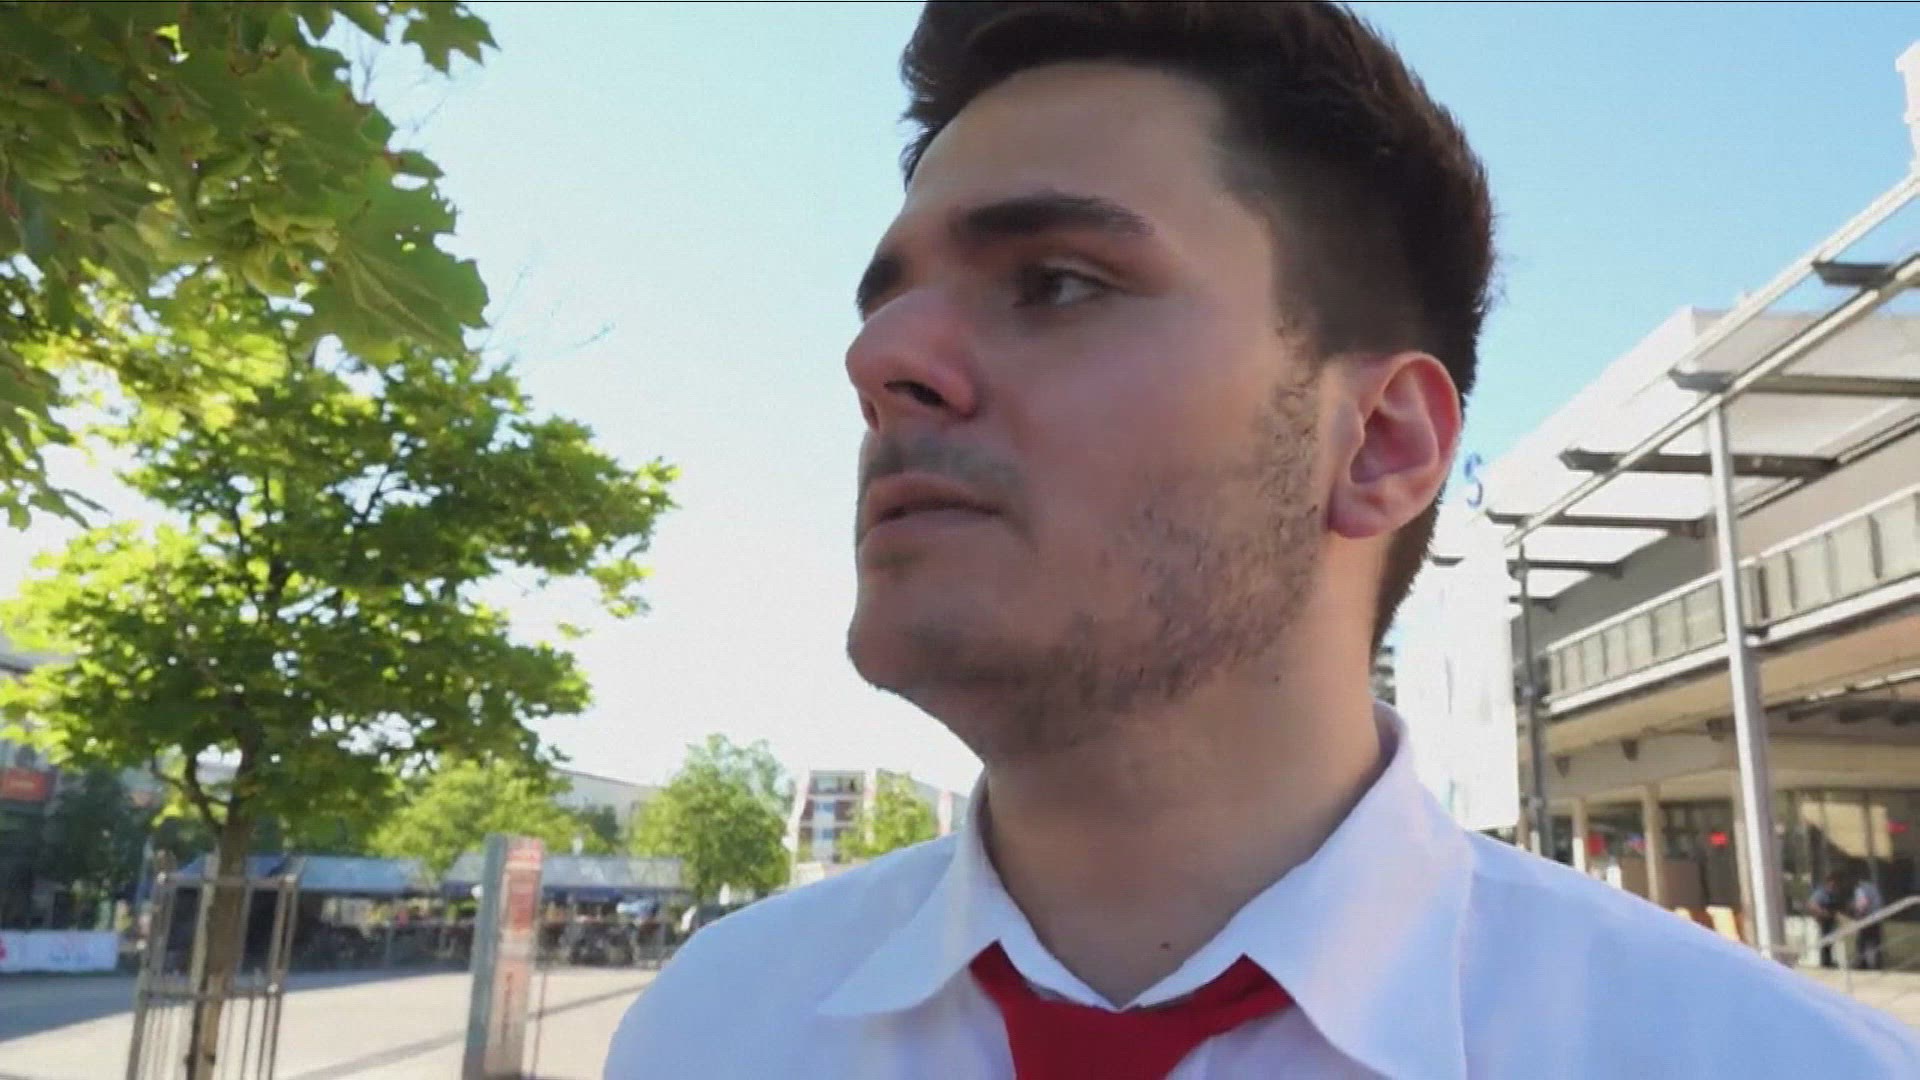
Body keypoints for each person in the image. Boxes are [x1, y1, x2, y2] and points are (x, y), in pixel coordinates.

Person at [606, 3, 1920, 1076]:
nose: (879, 360)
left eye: (1057, 283)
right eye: (886, 305)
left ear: (1381, 444)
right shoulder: (711, 1029)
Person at [1809, 871, 1844, 969]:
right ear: (1828, 882)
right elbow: (1812, 905)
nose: (1834, 886)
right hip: (1824, 921)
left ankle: (1829, 961)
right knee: (1825, 941)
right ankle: (1825, 962)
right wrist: (1823, 913)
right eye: (1833, 883)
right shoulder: (1821, 893)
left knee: (1830, 942)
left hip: (1831, 921)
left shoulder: (1833, 893)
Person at [1852, 874, 1886, 972]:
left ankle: (1864, 965)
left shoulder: (1860, 889)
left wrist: (1857, 916)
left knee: (1863, 943)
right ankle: (1876, 965)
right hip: (1876, 918)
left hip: (1867, 919)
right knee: (1874, 943)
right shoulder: (1872, 888)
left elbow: (1862, 904)